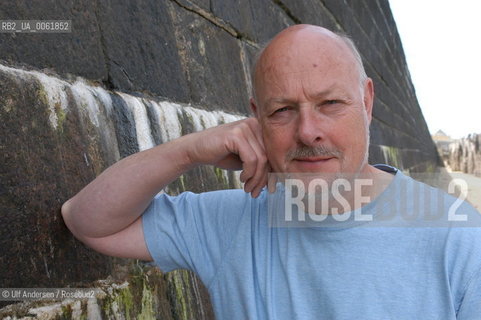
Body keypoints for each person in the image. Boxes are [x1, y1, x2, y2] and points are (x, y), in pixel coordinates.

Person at [62, 25, 481, 319]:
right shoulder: (232, 221)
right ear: (255, 117)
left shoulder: (459, 241)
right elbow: (88, 222)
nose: (308, 131)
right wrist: (187, 151)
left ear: (367, 102)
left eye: (330, 104)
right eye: (282, 111)